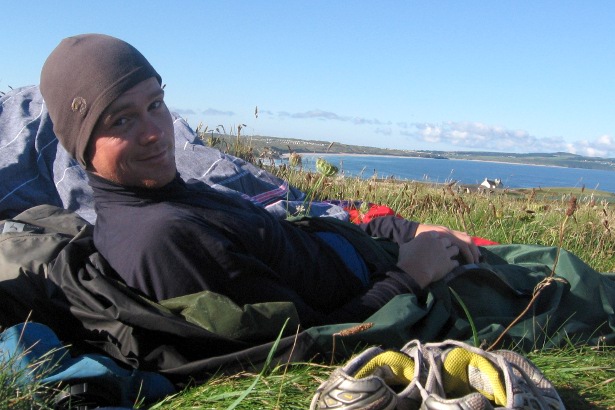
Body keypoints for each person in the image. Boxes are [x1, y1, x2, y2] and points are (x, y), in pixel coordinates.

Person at [40, 34, 480, 327]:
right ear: (82, 143)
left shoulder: (165, 197)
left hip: (384, 257)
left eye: (156, 104)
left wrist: (404, 231)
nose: (155, 131)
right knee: (543, 288)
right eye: (121, 119)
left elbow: (289, 236)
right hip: (396, 294)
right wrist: (411, 275)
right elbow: (303, 347)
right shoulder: (163, 238)